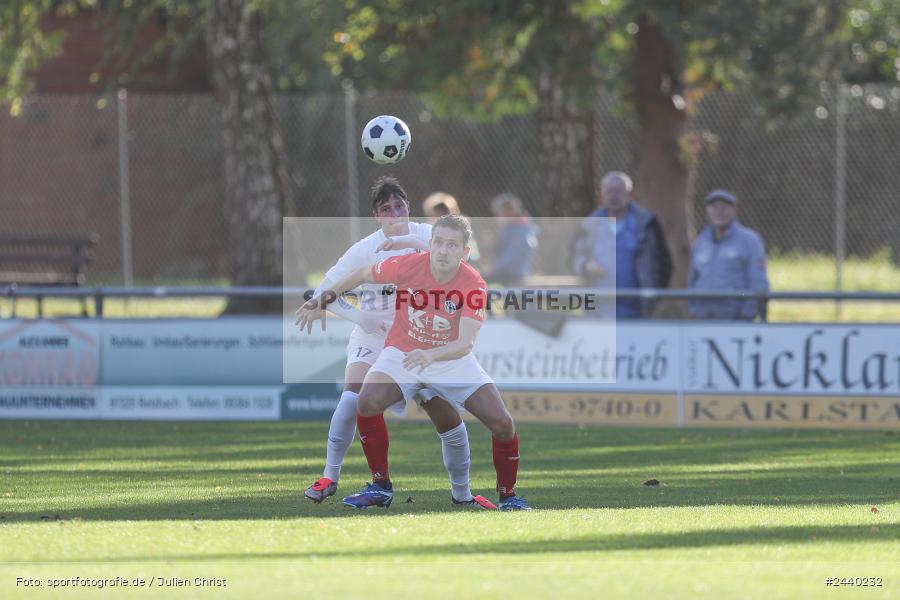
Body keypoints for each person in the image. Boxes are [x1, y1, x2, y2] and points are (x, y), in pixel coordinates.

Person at [297, 214, 531, 511]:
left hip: (449, 360)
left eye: (452, 245)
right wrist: (322, 298)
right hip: (402, 354)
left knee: (503, 423)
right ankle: (380, 486)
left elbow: (464, 343)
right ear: (430, 245)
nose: (444, 251)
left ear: (465, 252)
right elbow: (363, 273)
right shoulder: (410, 265)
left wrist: (431, 355)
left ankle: (508, 496)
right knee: (365, 402)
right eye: (439, 243)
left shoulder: (473, 283)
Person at [571, 171, 672, 318]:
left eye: (618, 191)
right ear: (602, 195)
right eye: (609, 191)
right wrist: (585, 265)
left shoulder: (646, 224)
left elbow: (664, 264)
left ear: (629, 195)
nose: (613, 196)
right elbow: (575, 258)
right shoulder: (589, 225)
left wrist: (652, 298)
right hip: (599, 312)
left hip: (636, 312)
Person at [688, 189, 769, 320]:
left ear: (734, 210)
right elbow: (692, 279)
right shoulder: (700, 241)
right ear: (707, 211)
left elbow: (758, 282)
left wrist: (747, 312)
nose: (719, 212)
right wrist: (692, 310)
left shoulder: (749, 240)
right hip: (702, 315)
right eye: (714, 207)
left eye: (725, 207)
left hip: (734, 315)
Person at [484, 193, 537, 286]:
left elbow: (510, 259)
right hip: (508, 275)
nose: (497, 217)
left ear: (510, 212)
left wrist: (492, 272)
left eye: (500, 213)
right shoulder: (510, 229)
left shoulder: (520, 230)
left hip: (514, 277)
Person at [421, 192, 481, 263]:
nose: (440, 217)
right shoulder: (425, 229)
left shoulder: (462, 228)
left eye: (444, 213)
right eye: (436, 214)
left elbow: (473, 256)